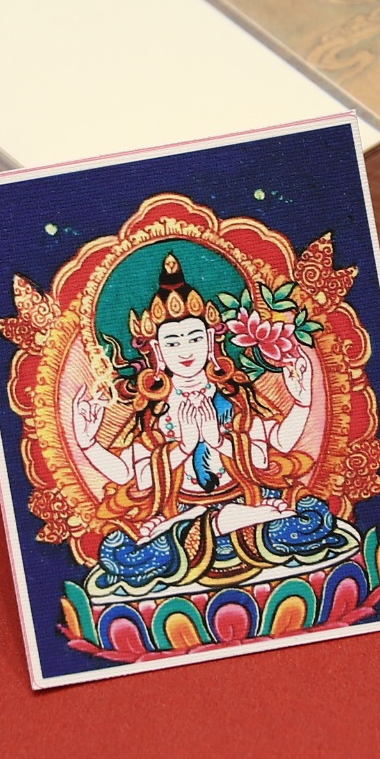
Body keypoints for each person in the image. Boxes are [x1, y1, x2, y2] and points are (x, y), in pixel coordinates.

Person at [72, 253, 345, 595]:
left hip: (245, 499)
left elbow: (273, 446)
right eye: (173, 342)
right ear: (157, 350)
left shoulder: (234, 396)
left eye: (194, 338)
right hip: (182, 508)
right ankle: (208, 522)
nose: (185, 350)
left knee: (312, 518)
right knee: (121, 552)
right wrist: (88, 443)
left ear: (212, 341)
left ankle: (215, 522)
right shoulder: (154, 412)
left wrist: (301, 402)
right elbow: (131, 473)